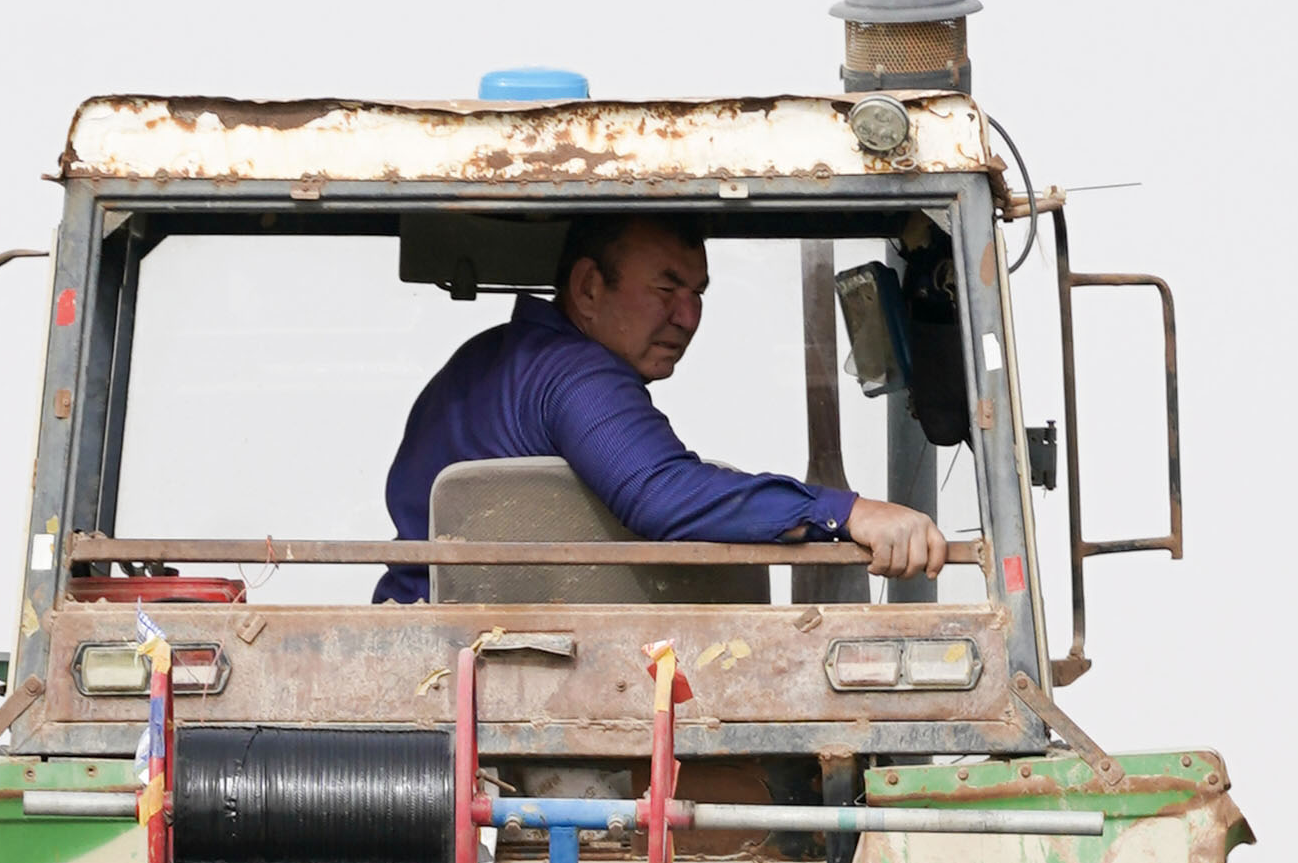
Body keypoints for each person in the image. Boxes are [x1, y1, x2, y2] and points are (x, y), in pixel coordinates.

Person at [377, 216, 943, 603]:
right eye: (666, 290)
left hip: (429, 642)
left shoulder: (488, 360)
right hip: (478, 666)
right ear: (588, 288)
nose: (688, 317)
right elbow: (660, 493)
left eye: (697, 294)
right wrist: (849, 513)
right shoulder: (572, 372)